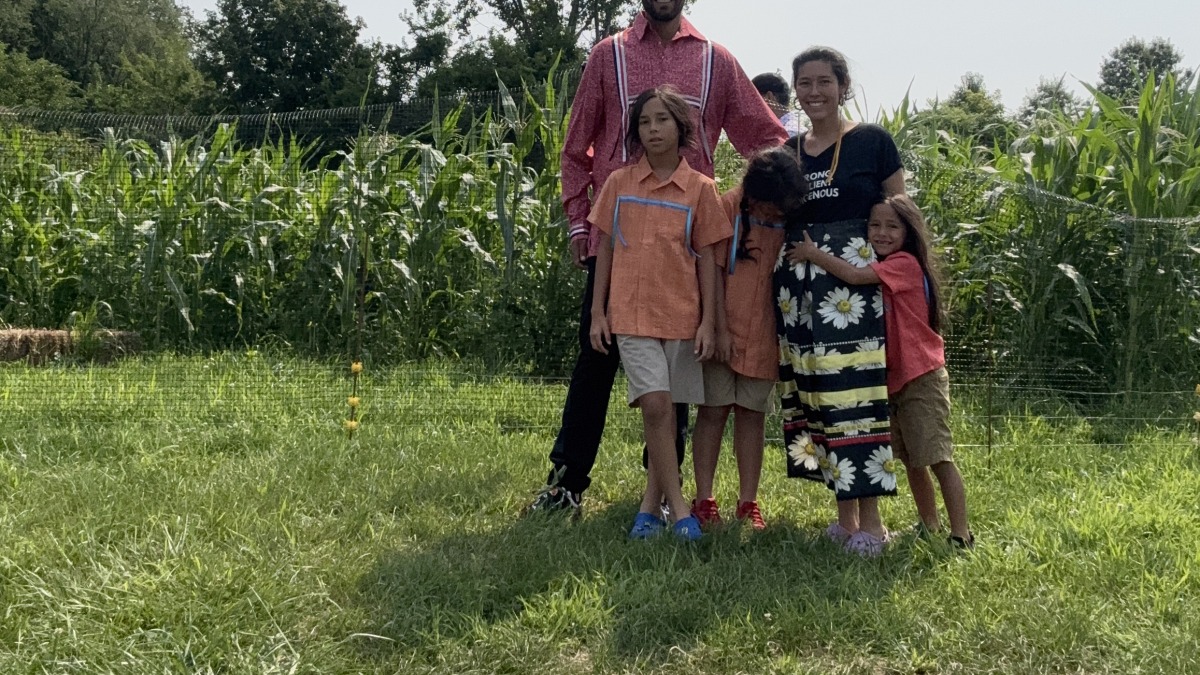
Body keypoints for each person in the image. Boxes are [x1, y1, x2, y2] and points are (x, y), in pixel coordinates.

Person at [529, 0, 787, 515]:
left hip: (686, 247)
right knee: (595, 359)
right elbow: (576, 146)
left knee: (678, 366)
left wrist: (732, 206)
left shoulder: (717, 60)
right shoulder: (609, 55)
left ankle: (666, 493)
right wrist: (582, 224)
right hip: (617, 242)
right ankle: (566, 483)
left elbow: (769, 139)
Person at [774, 46, 906, 556]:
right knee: (818, 395)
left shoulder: (872, 141)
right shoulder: (789, 151)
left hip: (854, 286)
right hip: (797, 288)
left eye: (823, 81)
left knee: (857, 395)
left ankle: (873, 525)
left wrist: (902, 278)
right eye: (804, 83)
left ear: (843, 85)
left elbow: (901, 213)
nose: (814, 92)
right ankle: (844, 519)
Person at [788, 194, 974, 549]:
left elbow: (856, 277)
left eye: (892, 226)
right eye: (875, 225)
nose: (882, 233)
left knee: (937, 457)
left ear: (909, 231)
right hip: (895, 379)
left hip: (921, 376)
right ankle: (929, 526)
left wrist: (814, 254)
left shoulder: (904, 263)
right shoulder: (886, 260)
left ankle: (961, 534)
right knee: (912, 461)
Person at [588, 86, 731, 540]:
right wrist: (597, 312)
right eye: (645, 122)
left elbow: (709, 259)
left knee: (668, 414)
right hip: (629, 315)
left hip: (683, 318)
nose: (653, 129)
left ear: (681, 128)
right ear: (636, 131)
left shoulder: (702, 190)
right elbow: (605, 248)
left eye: (662, 120)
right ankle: (682, 509)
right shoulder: (618, 184)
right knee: (655, 406)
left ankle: (650, 507)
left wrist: (710, 321)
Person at [690, 147, 804, 530]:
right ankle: (704, 498)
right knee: (712, 412)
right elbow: (714, 274)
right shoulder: (727, 207)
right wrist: (718, 329)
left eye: (779, 210)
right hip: (722, 332)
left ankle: (747, 502)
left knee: (752, 417)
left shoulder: (788, 215)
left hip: (765, 338)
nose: (773, 215)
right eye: (768, 207)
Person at [752, 72, 800, 137]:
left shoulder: (788, 133)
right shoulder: (784, 129)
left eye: (753, 99)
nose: (750, 107)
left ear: (768, 97)